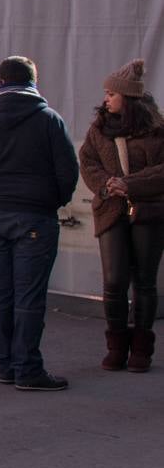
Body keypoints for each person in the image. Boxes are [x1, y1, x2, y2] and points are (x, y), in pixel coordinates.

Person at [0, 56, 78, 391]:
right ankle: (27, 367)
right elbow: (67, 171)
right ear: (33, 80)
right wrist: (49, 200)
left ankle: (6, 366)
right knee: (29, 295)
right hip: (35, 216)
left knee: (0, 293)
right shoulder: (48, 120)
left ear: (0, 81)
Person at [78, 59, 164, 374]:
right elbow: (87, 160)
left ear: (127, 98)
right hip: (111, 210)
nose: (106, 99)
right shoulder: (99, 129)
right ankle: (116, 346)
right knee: (114, 281)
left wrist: (130, 184)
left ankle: (141, 348)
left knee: (144, 281)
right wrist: (106, 185)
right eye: (106, 93)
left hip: (148, 212)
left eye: (111, 94)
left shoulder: (157, 130)